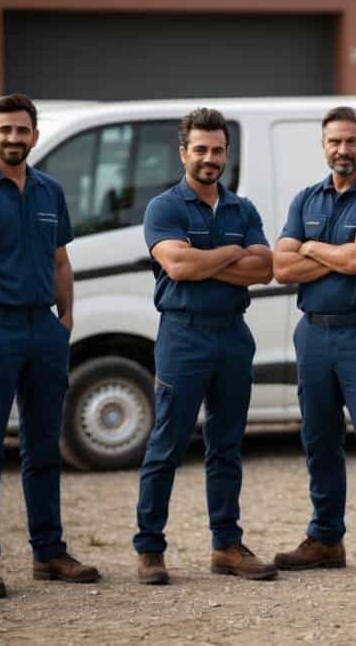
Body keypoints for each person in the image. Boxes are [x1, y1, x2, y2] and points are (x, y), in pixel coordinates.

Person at [0, 93, 99, 598]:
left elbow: (59, 260)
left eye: (22, 130)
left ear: (34, 135)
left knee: (45, 445)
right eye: (4, 130)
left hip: (43, 331)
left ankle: (48, 553)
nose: (13, 138)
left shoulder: (50, 191)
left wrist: (65, 318)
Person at [133, 107, 276, 585]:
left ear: (226, 154)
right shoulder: (164, 207)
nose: (210, 158)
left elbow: (264, 269)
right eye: (201, 149)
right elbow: (178, 267)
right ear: (183, 153)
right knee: (167, 443)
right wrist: (233, 254)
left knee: (227, 445)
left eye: (217, 150)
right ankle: (150, 548)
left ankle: (227, 546)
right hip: (184, 332)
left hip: (233, 333)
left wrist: (208, 260)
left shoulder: (242, 208)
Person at [271, 106, 356, 579]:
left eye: (351, 141)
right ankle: (325, 538)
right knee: (318, 439)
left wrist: (310, 248)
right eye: (334, 141)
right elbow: (282, 267)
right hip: (313, 332)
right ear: (323, 144)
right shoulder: (305, 199)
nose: (342, 150)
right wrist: (334, 254)